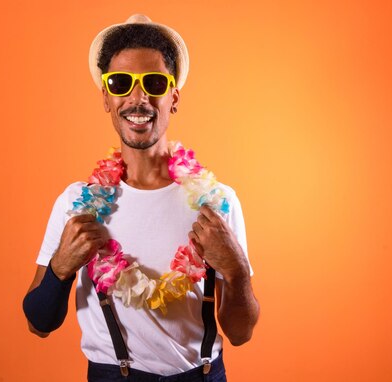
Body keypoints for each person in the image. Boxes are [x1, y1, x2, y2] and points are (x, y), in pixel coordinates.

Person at [23, 14, 259, 382]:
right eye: (120, 83)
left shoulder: (216, 204)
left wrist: (237, 271)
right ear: (106, 97)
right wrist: (59, 268)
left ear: (173, 97)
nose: (138, 98)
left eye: (154, 83)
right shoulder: (77, 204)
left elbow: (241, 334)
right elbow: (38, 324)